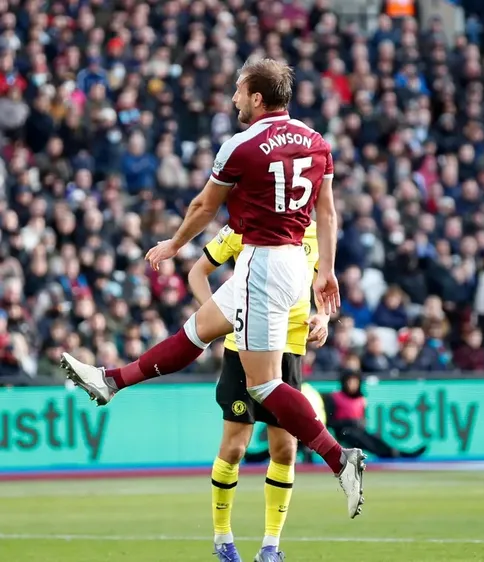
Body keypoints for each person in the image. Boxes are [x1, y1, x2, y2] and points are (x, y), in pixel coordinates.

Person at [59, 58, 366, 519]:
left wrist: (174, 243)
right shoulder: (315, 141)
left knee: (264, 386)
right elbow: (328, 214)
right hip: (286, 265)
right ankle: (110, 382)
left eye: (240, 91)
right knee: (197, 330)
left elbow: (205, 205)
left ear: (258, 97)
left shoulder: (241, 146)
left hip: (264, 262)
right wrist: (328, 270)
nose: (234, 99)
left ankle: (341, 458)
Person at [187, 220, 327, 562]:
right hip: (243, 347)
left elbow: (324, 288)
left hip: (290, 349)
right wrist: (221, 316)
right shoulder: (246, 222)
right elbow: (197, 272)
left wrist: (322, 316)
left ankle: (270, 547)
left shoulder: (317, 233)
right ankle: (223, 539)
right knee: (234, 448)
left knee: (285, 450)